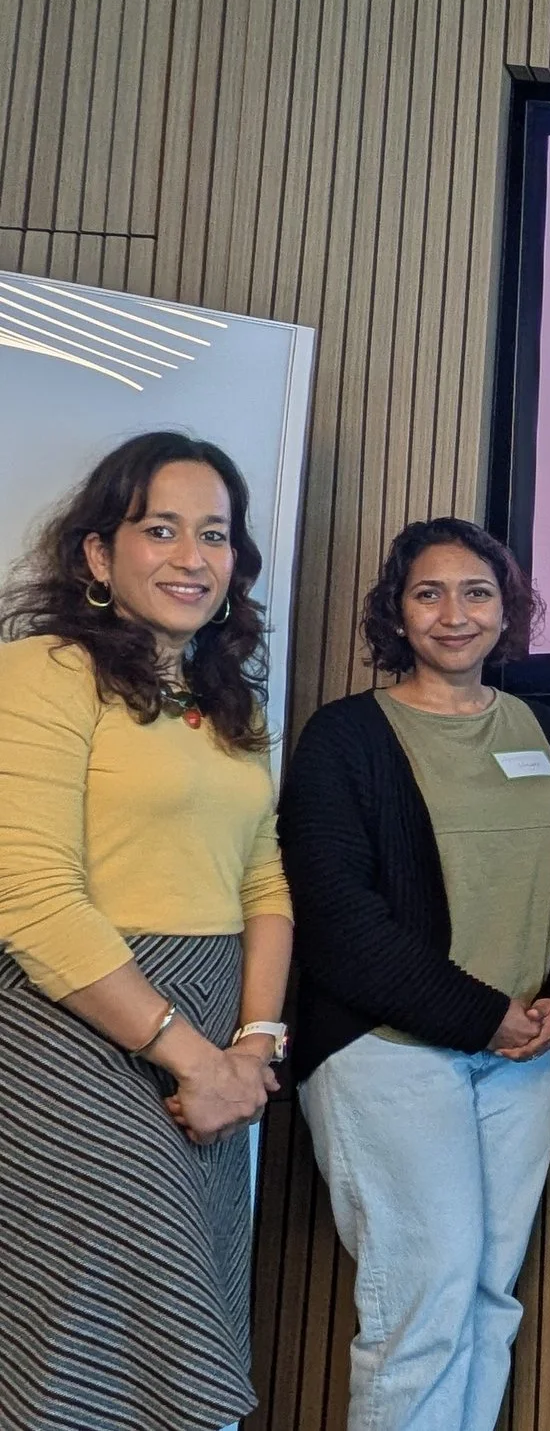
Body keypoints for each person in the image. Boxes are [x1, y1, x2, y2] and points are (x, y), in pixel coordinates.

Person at [278, 518, 550, 1430]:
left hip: (524, 1054)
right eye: (428, 592)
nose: (455, 613)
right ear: (397, 610)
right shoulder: (344, 737)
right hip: (388, 1054)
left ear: (507, 607)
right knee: (421, 1305)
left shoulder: (541, 729)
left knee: (487, 1295)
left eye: (477, 592)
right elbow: (341, 922)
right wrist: (485, 1016)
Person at [0, 431, 294, 1430]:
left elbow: (265, 877)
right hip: (77, 1026)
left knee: (166, 1342)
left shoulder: (227, 701)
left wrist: (253, 1044)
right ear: (95, 553)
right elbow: (32, 894)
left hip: (212, 1033)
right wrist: (191, 1057)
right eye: (159, 528)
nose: (190, 556)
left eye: (213, 534)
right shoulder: (40, 670)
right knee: (102, 1348)